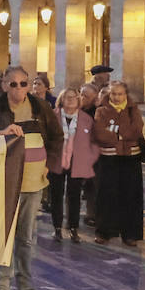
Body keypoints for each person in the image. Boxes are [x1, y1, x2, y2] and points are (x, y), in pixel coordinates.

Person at [0, 66, 62, 290]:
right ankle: (2, 286)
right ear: (4, 85)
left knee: (27, 237)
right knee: (5, 235)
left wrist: (49, 164)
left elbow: (56, 137)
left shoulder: (41, 107)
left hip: (33, 181)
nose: (19, 88)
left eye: (24, 83)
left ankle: (26, 286)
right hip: (4, 181)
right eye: (13, 84)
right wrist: (0, 133)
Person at [91, 79, 145, 246]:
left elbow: (137, 129)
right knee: (107, 195)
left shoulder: (133, 109)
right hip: (109, 158)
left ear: (125, 94)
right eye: (114, 93)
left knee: (131, 196)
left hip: (131, 158)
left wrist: (115, 132)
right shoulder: (101, 111)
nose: (117, 97)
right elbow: (100, 133)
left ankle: (130, 234)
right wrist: (121, 135)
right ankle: (105, 232)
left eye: (120, 94)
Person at [48, 88, 97, 244]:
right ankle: (56, 228)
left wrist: (90, 158)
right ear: (61, 100)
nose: (70, 100)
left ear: (79, 100)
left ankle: (73, 228)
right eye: (67, 97)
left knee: (74, 195)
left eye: (74, 97)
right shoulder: (52, 116)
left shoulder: (86, 119)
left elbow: (94, 142)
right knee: (56, 195)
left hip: (78, 162)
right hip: (56, 160)